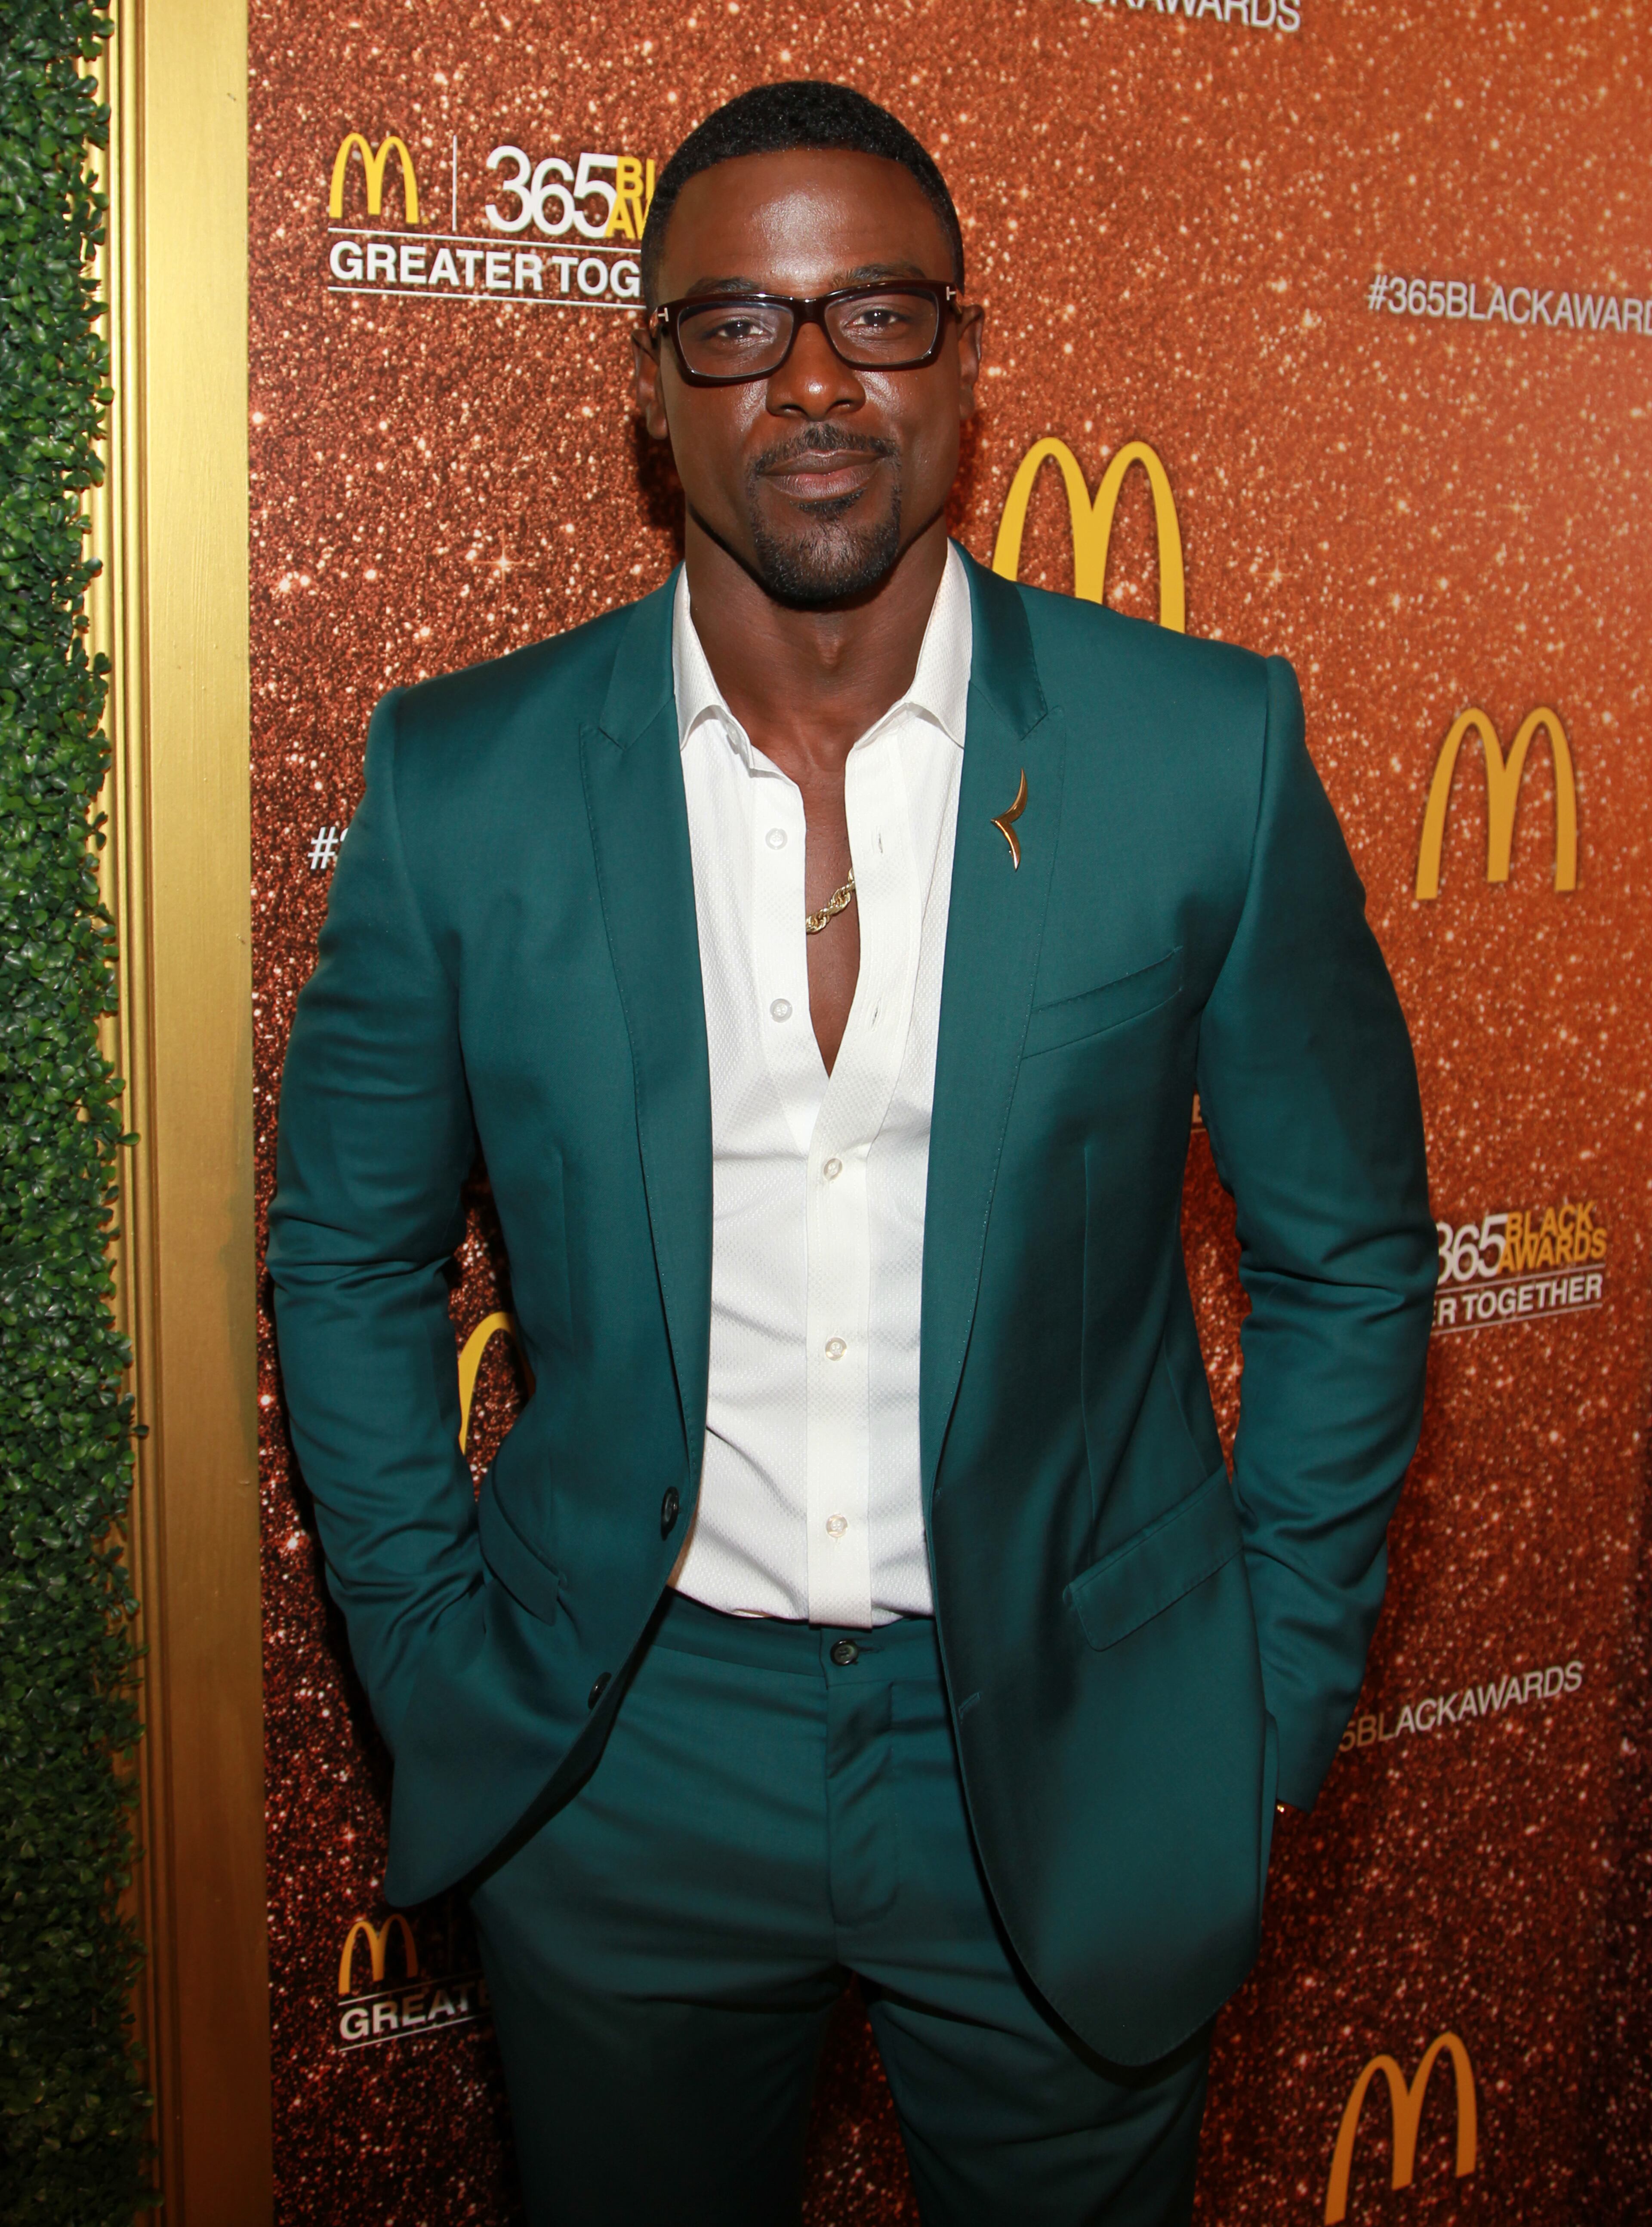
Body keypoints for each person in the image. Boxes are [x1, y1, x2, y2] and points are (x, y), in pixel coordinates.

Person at [268, 79, 1434, 2227]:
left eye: (877, 313)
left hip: (1079, 1744)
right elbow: (345, 1257)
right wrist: (437, 1649)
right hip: (624, 1756)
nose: (812, 377)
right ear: (654, 391)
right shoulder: (464, 779)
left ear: (969, 360)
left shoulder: (1208, 754)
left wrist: (1254, 1703)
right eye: (737, 324)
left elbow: (1353, 1255)